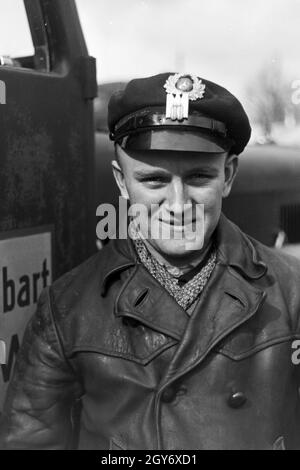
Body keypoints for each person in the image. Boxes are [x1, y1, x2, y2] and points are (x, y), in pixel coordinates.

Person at [1, 72, 300, 450]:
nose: (178, 206)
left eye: (199, 177)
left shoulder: (292, 293)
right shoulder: (68, 309)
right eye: (154, 181)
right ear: (123, 183)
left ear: (228, 175)